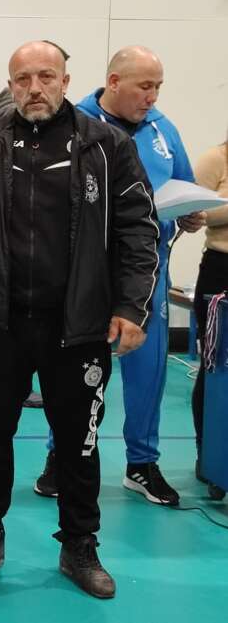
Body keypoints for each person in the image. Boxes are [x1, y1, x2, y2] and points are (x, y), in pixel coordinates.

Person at [0, 40, 159, 598]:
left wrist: (130, 306)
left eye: (46, 76)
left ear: (66, 82)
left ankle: (79, 545)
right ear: (10, 84)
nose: (34, 88)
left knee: (78, 442)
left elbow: (138, 229)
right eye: (22, 78)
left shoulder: (106, 145)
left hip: (79, 326)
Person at [34, 46, 204, 506]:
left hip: (145, 271)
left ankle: (142, 463)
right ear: (113, 82)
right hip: (84, 272)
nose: (153, 97)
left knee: (147, 371)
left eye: (158, 87)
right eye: (144, 86)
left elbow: (183, 185)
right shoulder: (73, 123)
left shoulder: (163, 130)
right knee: (72, 372)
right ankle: (59, 455)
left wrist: (190, 215)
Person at [192, 132, 228, 496]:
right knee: (215, 367)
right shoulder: (215, 159)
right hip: (221, 269)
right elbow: (198, 214)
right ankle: (211, 457)